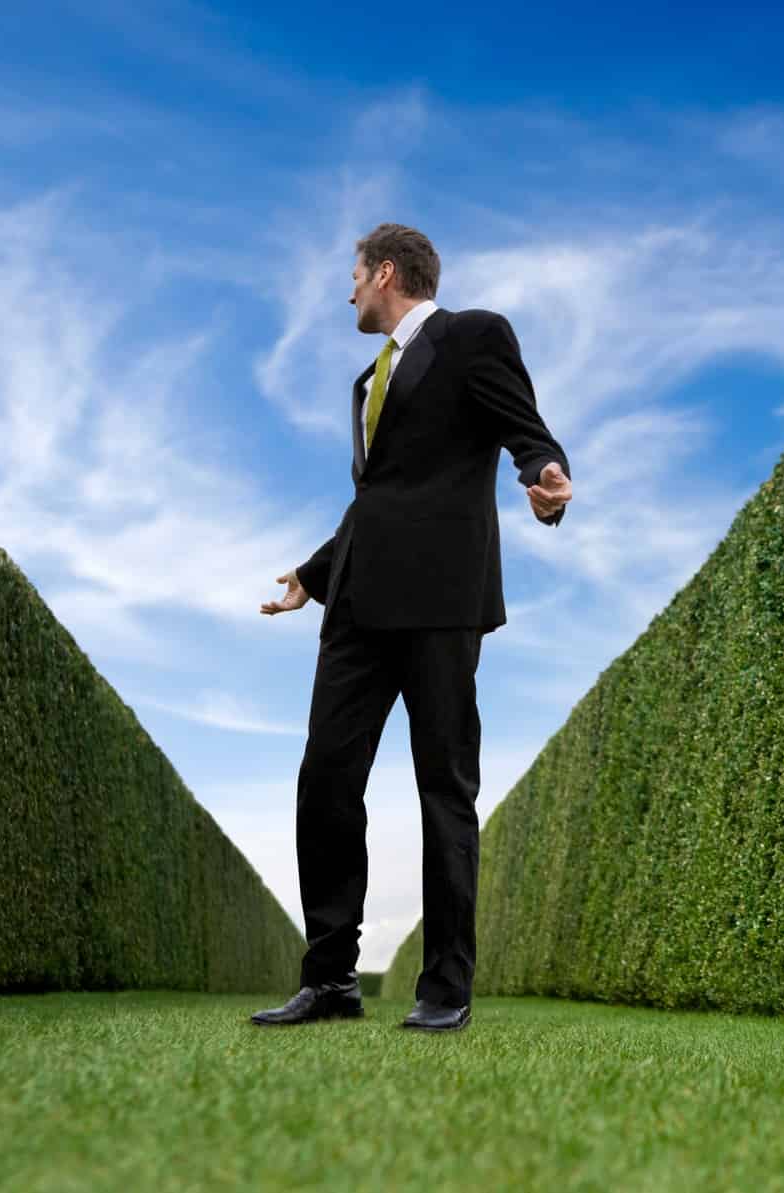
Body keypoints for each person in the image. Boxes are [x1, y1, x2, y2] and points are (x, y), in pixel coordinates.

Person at [250, 222, 572, 1032]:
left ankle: (444, 990)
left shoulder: (472, 336)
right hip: (357, 604)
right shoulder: (368, 380)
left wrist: (542, 472)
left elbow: (519, 425)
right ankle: (330, 979)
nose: (348, 289)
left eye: (354, 274)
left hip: (439, 604)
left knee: (443, 791)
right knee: (324, 781)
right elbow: (378, 499)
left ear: (385, 271)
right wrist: (314, 575)